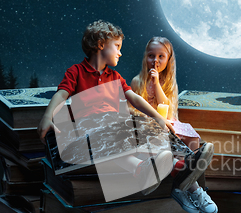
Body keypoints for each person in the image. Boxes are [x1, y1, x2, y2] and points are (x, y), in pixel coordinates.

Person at [37, 20, 211, 198]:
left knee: (147, 128)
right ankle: (164, 168)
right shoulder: (76, 72)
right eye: (117, 47)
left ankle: (182, 165)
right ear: (101, 45)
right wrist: (47, 117)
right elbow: (61, 95)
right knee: (117, 137)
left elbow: (134, 98)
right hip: (90, 126)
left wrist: (158, 118)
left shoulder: (115, 76)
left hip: (114, 125)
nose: (120, 53)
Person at [131, 36, 218, 213]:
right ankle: (192, 189)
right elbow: (134, 111)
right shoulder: (137, 82)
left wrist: (157, 84)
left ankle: (182, 188)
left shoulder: (170, 83)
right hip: (146, 125)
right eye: (151, 55)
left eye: (161, 56)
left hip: (167, 122)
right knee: (162, 139)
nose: (155, 61)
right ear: (145, 57)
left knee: (191, 137)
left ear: (168, 60)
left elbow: (168, 112)